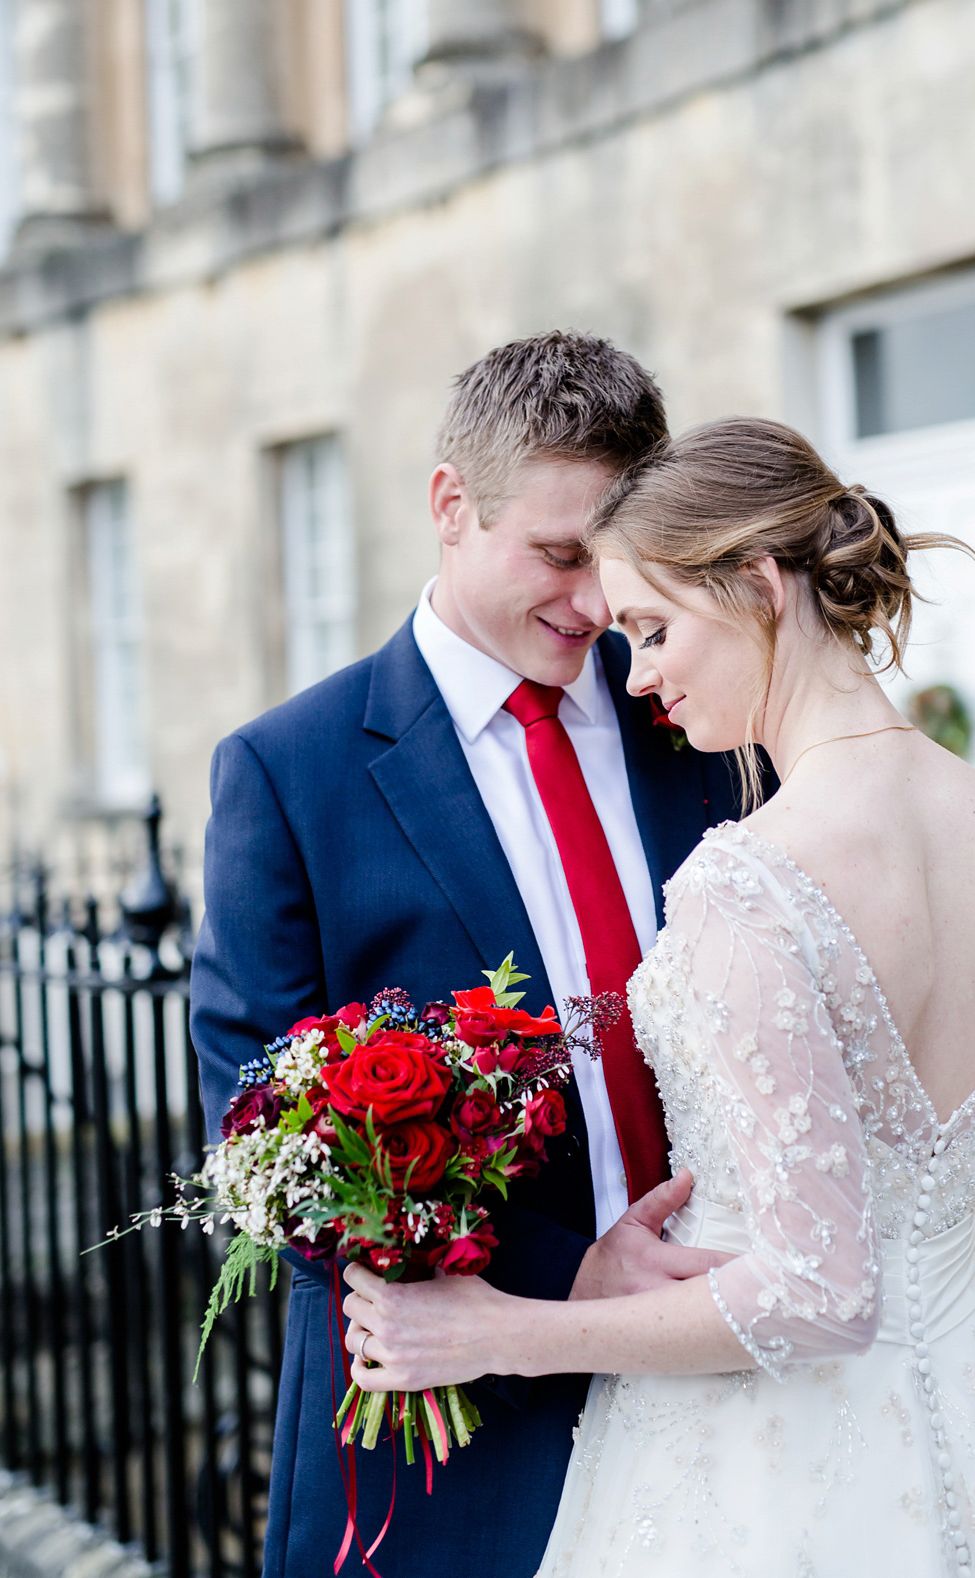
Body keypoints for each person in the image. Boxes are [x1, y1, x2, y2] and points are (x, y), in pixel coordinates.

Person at [339, 419, 975, 1578]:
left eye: (655, 629)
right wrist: (928, 1244)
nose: (638, 671)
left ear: (761, 585)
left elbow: (818, 1291)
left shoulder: (750, 880)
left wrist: (503, 1332)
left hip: (768, 1467)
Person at [189, 333, 753, 1578]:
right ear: (452, 505)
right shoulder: (290, 774)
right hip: (448, 1447)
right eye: (559, 555)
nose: (598, 605)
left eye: (613, 562)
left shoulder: (704, 721)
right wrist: (568, 1283)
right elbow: (257, 1133)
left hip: (735, 1381)